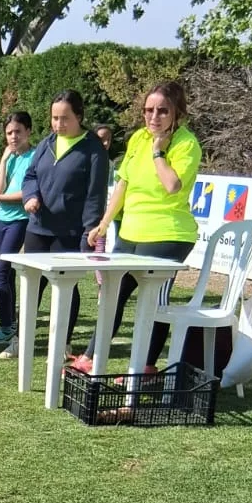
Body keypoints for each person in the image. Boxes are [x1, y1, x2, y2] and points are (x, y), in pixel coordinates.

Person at [74, 80, 203, 373]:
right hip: (130, 234)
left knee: (153, 298)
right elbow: (124, 183)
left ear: (177, 114)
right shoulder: (137, 139)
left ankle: (146, 367)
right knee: (112, 293)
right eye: (148, 110)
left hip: (169, 235)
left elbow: (171, 186)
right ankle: (90, 358)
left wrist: (159, 152)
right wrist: (104, 224)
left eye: (162, 111)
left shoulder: (186, 144)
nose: (153, 117)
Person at [20, 89, 109, 350]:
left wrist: (88, 233)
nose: (58, 124)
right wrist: (31, 196)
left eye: (65, 118)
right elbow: (30, 176)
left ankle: (63, 342)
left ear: (79, 116)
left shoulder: (94, 149)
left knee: (65, 287)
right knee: (31, 284)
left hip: (69, 232)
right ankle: (21, 339)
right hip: (37, 228)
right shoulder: (46, 143)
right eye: (54, 118)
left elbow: (95, 196)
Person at [0, 110, 34, 358]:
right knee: (7, 274)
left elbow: (26, 193)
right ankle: (9, 325)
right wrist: (2, 159)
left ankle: (6, 326)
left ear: (28, 132)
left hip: (20, 219)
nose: (13, 137)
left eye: (18, 132)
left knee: (0, 273)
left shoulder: (34, 157)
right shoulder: (9, 157)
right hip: (2, 219)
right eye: (9, 133)